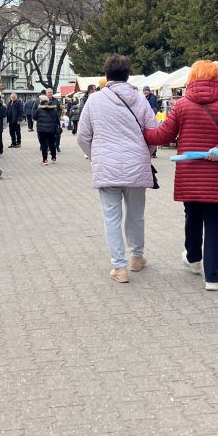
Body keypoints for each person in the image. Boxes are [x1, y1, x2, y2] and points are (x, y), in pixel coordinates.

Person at [142, 61, 218, 291]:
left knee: (192, 215)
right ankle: (212, 278)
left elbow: (163, 135)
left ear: (192, 79)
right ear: (216, 78)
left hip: (190, 173)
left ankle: (193, 258)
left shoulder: (182, 105)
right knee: (215, 223)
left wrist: (139, 132)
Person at [76, 55, 158, 283]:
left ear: (106, 74)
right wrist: (145, 154)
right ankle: (137, 257)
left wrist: (96, 157)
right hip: (136, 165)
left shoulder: (94, 100)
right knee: (136, 215)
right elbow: (153, 133)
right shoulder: (140, 99)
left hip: (107, 166)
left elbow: (82, 136)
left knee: (111, 217)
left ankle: (119, 267)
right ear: (128, 75)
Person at [34, 88, 62, 164]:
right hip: (51, 129)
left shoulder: (39, 109)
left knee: (44, 145)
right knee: (52, 143)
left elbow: (34, 117)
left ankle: (45, 159)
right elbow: (57, 119)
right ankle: (54, 158)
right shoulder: (53, 109)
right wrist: (58, 126)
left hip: (42, 129)